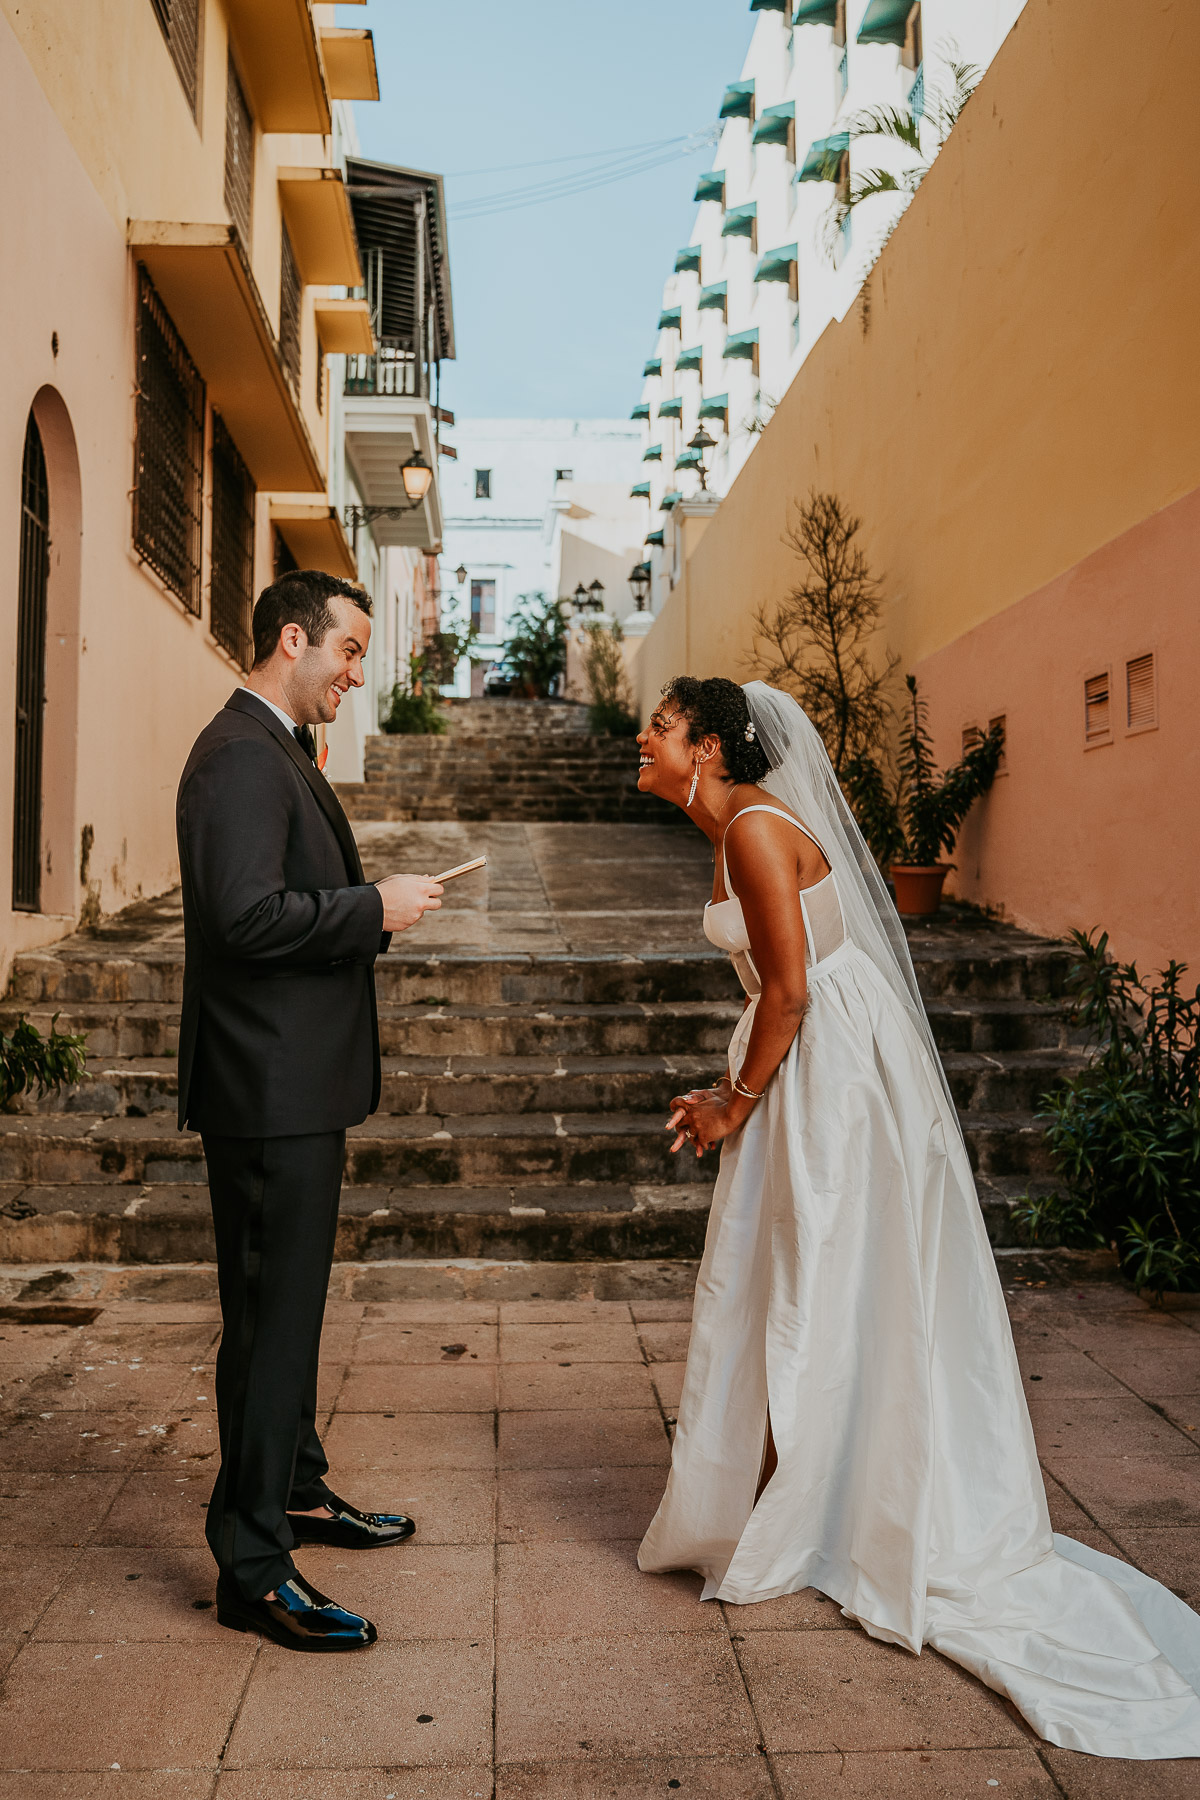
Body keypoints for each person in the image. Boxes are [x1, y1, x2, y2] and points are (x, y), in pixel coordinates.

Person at [635, 675, 1200, 1758]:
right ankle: (804, 1482)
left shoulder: (753, 831)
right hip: (817, 1057)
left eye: (659, 730)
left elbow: (790, 994)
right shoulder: (735, 828)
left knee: (819, 1272)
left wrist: (728, 1104)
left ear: (707, 746)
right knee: (813, 1275)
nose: (643, 744)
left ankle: (823, 1497)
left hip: (826, 1072)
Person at [176, 569, 444, 1652]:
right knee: (270, 1324)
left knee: (284, 1317)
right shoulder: (242, 754)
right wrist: (370, 908)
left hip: (289, 1085)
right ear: (295, 639)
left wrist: (362, 913)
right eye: (350, 651)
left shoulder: (270, 745)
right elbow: (243, 917)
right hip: (267, 1091)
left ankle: (293, 1489)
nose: (356, 673)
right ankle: (251, 1566)